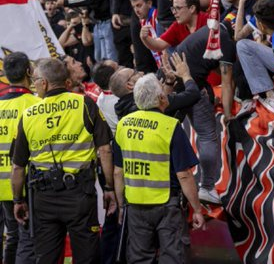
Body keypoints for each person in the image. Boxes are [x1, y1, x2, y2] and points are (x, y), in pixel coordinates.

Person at [11, 58, 116, 264]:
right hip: (80, 194)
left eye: (36, 80)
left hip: (43, 197)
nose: (34, 84)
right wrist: (109, 188)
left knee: (47, 258)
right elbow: (105, 150)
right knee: (87, 257)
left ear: (45, 83)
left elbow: (18, 167)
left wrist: (18, 200)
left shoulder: (29, 115)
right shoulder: (84, 103)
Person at [113, 73, 205, 263]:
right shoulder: (170, 126)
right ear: (161, 98)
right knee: (172, 256)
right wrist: (197, 209)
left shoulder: (123, 125)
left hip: (135, 204)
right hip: (166, 204)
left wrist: (122, 205)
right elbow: (185, 175)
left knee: (139, 258)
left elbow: (118, 172)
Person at [176, 25, 236, 203]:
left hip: (170, 82)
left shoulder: (206, 32)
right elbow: (226, 82)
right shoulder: (225, 40)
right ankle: (208, 187)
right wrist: (228, 115)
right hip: (189, 86)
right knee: (207, 135)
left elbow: (212, 64)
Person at [0, 52, 40, 264]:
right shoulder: (35, 104)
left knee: (11, 238)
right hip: (24, 185)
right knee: (26, 239)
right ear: (29, 72)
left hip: (2, 185)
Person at [139, 0, 208, 52]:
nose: (174, 12)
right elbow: (158, 45)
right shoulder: (177, 25)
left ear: (192, 8)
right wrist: (145, 38)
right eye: (173, 9)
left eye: (178, 8)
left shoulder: (209, 20)